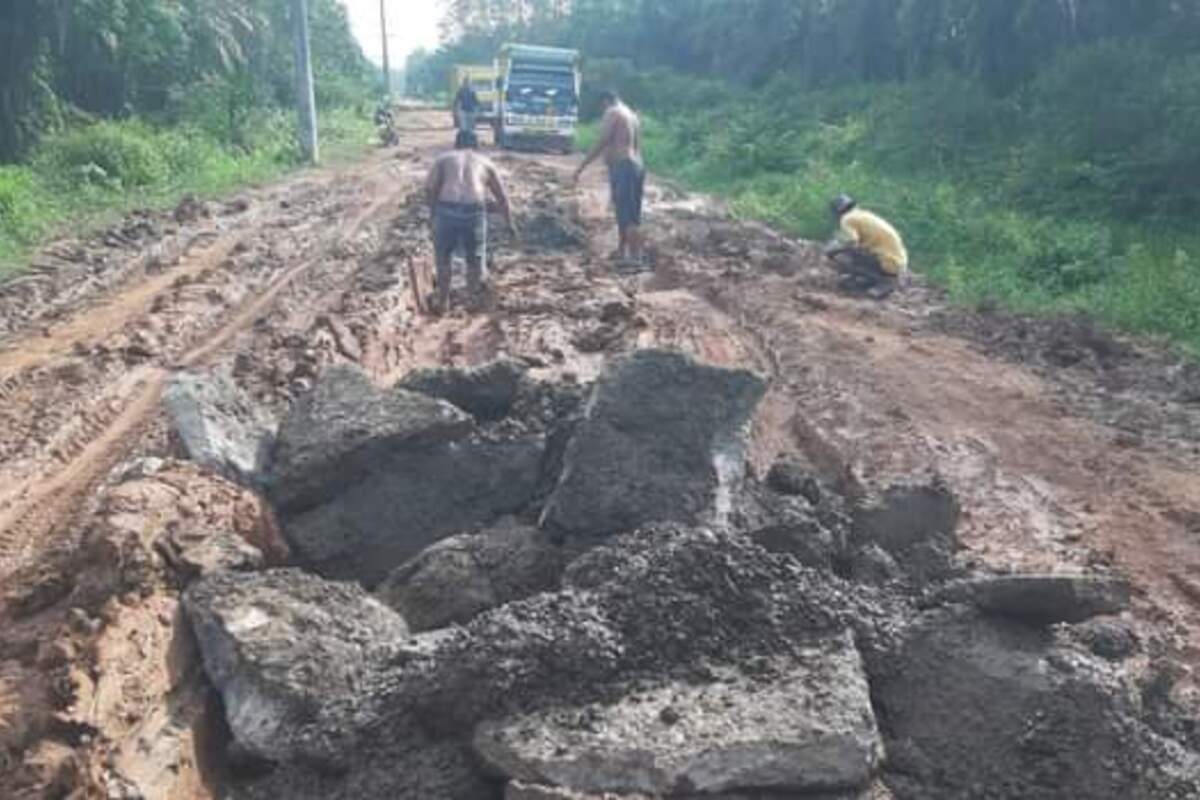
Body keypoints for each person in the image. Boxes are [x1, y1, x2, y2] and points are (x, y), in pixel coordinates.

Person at [424, 130, 516, 313]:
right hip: (474, 212)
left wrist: (433, 215)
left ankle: (443, 301)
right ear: (477, 146)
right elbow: (502, 197)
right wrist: (510, 223)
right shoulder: (485, 162)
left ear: (455, 144)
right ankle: (471, 300)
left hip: (446, 209)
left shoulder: (443, 159)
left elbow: (430, 189)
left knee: (444, 258)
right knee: (474, 259)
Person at [573, 90, 645, 265]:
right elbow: (636, 145)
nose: (602, 112)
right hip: (636, 165)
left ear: (605, 102)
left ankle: (635, 258)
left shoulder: (613, 112)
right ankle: (623, 252)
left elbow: (603, 140)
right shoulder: (632, 115)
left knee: (626, 214)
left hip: (624, 166)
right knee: (629, 213)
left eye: (601, 107)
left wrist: (581, 166)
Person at [824, 194, 908, 298]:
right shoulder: (862, 215)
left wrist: (832, 251)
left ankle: (883, 282)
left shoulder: (847, 219)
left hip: (887, 261)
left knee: (842, 257)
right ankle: (870, 279)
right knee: (858, 251)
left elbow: (851, 241)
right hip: (896, 262)